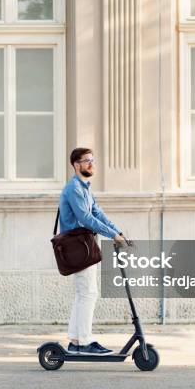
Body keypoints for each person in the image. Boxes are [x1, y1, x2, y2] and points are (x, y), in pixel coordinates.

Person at [59, 147, 127, 355]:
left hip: (85, 245)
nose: (91, 164)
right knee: (88, 293)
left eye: (92, 160)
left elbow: (99, 214)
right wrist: (111, 235)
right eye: (87, 161)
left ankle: (75, 340)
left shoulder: (85, 188)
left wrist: (118, 232)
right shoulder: (73, 189)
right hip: (77, 246)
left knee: (84, 294)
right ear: (76, 165)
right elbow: (85, 218)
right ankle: (84, 342)